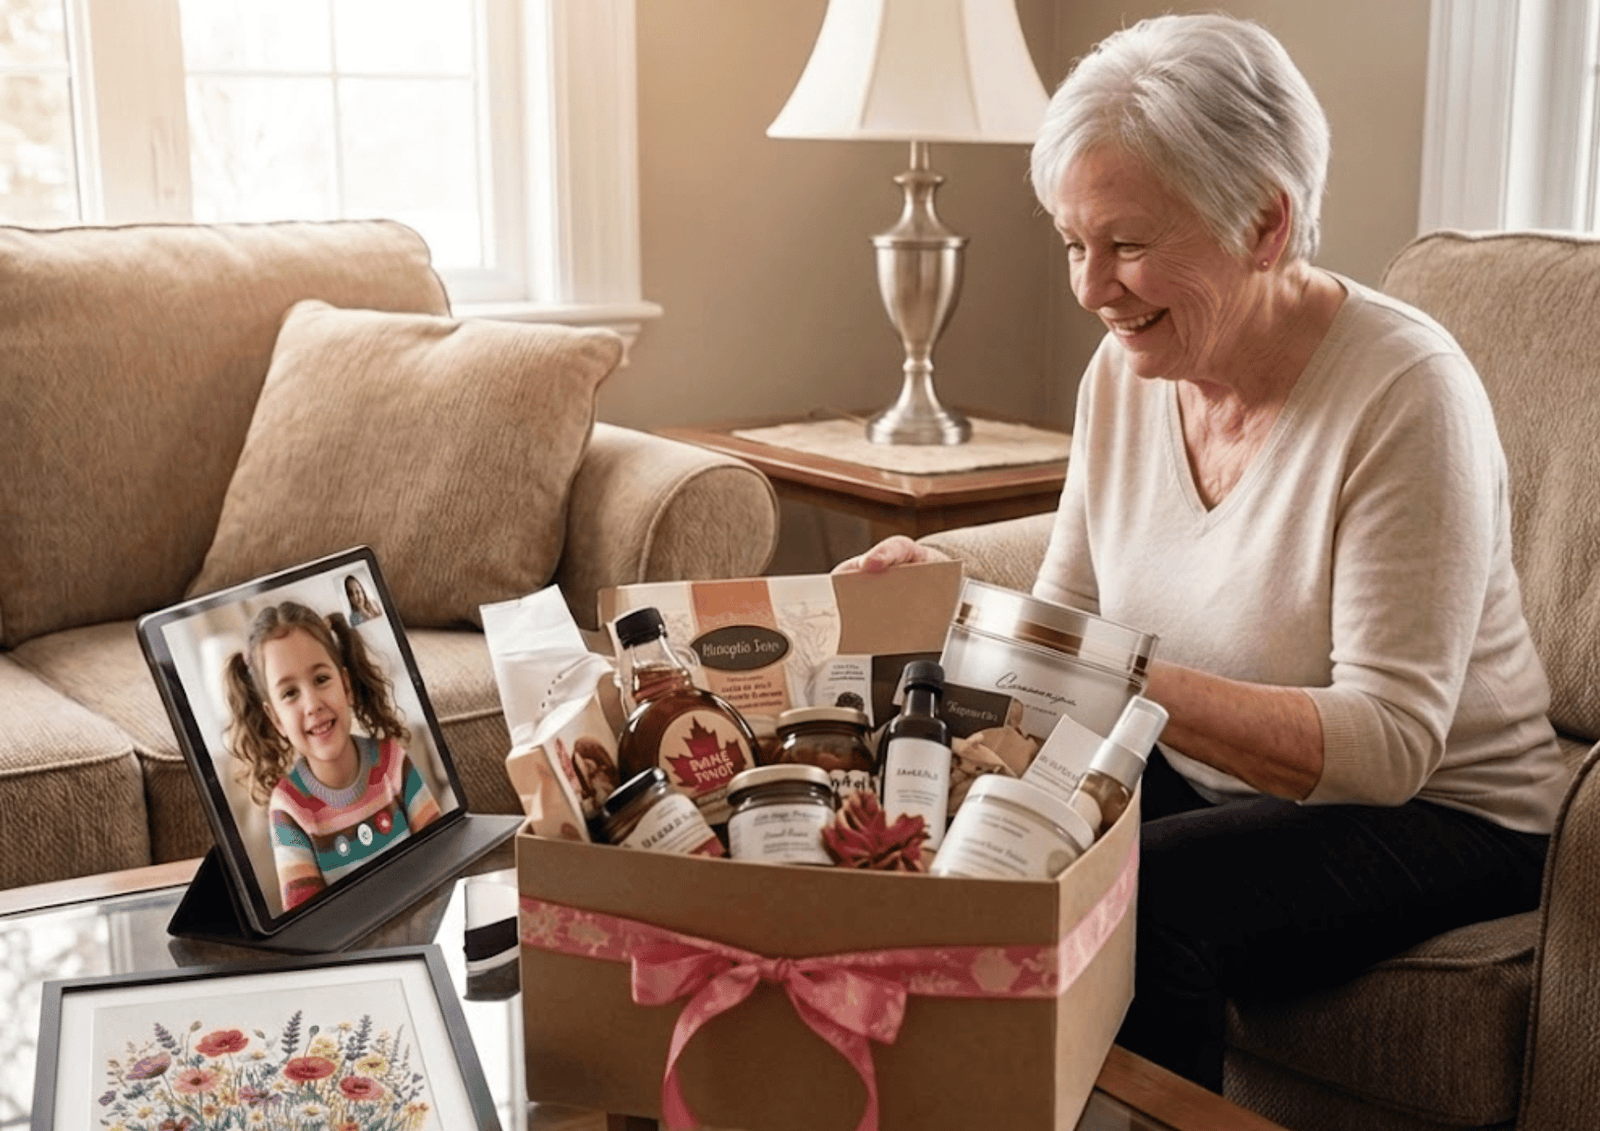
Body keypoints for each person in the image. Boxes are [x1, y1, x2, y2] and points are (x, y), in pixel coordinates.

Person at [836, 13, 1568, 1092]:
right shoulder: (1125, 373)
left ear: (1264, 224)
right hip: (1209, 777)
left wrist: (1112, 672)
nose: (1091, 288)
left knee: (1142, 898)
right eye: (1072, 244)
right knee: (983, 833)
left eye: (1126, 245)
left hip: (1443, 816)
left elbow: (1390, 743)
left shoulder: (1407, 395)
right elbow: (1066, 613)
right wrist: (950, 617)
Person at [224, 601, 442, 911]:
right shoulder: (289, 808)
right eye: (290, 693)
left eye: (321, 680)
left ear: (347, 686)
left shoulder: (392, 762)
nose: (312, 704)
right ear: (276, 721)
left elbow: (444, 855)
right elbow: (311, 923)